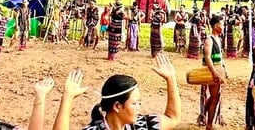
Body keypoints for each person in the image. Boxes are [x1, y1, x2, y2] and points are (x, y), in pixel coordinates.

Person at [53, 54, 183, 130]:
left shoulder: (142, 125)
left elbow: (173, 118)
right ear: (117, 106)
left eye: (139, 103)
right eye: (135, 103)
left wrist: (171, 78)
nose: (139, 107)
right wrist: (68, 97)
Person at [197, 15, 227, 130]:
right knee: (215, 97)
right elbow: (208, 57)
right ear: (215, 26)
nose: (223, 27)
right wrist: (214, 72)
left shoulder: (217, 39)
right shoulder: (209, 40)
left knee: (216, 95)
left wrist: (224, 68)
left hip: (217, 70)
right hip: (212, 72)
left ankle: (204, 114)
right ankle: (209, 124)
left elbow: (219, 57)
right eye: (222, 24)